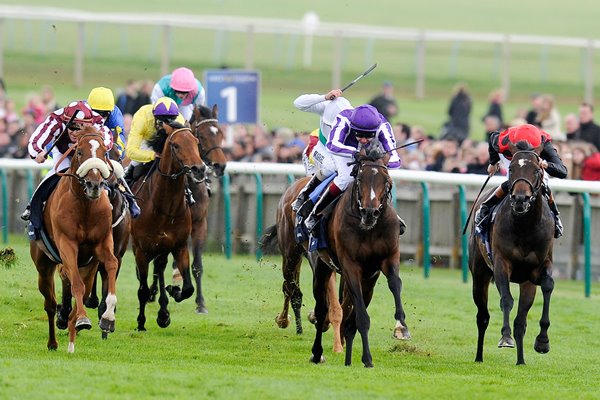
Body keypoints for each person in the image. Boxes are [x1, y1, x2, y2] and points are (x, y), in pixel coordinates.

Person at [302, 104, 402, 232]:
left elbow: (396, 160)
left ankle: (391, 215)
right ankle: (313, 214)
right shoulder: (344, 118)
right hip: (343, 151)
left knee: (378, 179)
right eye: (359, 135)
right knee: (345, 178)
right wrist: (355, 153)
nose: (364, 140)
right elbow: (332, 145)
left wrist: (381, 162)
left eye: (369, 136)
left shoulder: (383, 126)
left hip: (372, 159)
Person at [21, 101, 113, 220]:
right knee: (58, 171)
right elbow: (35, 141)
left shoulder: (96, 122)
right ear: (65, 122)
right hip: (63, 152)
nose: (74, 132)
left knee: (107, 174)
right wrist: (38, 152)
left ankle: (119, 201)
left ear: (89, 125)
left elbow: (107, 141)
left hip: (87, 154)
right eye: (71, 126)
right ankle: (33, 205)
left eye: (80, 128)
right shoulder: (56, 120)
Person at [473, 124, 568, 238]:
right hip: (514, 158)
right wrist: (493, 163)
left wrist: (546, 164)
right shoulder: (504, 141)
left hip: (535, 163)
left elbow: (563, 172)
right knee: (514, 181)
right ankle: (485, 207)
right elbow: (492, 136)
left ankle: (556, 217)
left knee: (542, 183)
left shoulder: (545, 144)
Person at [291, 88, 353, 213]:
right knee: (330, 168)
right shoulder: (326, 105)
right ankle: (304, 196)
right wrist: (324, 97)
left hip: (339, 153)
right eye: (330, 126)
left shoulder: (355, 118)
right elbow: (298, 103)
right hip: (319, 148)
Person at [87, 86, 140, 218]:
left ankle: (131, 202)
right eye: (96, 113)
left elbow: (120, 138)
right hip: (83, 150)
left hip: (106, 149)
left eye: (105, 114)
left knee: (118, 172)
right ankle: (34, 208)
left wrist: (116, 152)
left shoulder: (116, 115)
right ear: (89, 109)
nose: (101, 117)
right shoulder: (80, 111)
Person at [124, 96, 186, 183]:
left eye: (169, 122)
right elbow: (131, 151)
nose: (164, 125)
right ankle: (127, 177)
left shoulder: (180, 121)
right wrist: (152, 155)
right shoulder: (142, 117)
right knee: (136, 162)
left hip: (168, 141)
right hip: (147, 141)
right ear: (154, 116)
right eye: (161, 121)